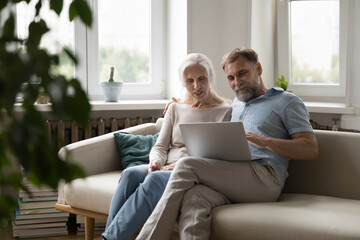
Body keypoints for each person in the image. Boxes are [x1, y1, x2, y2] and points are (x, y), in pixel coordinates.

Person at [136, 47, 319, 240]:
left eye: (242, 73)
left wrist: (264, 141)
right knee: (195, 197)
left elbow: (310, 149)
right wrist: (179, 103)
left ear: (258, 68)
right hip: (233, 175)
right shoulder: (237, 104)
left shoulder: (287, 101)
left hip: (265, 178)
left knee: (187, 164)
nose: (237, 82)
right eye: (231, 78)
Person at [102, 53, 232, 240]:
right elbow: (160, 146)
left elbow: (219, 155)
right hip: (165, 166)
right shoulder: (175, 108)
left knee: (154, 180)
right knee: (130, 174)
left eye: (201, 79)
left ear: (211, 77)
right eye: (190, 81)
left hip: (192, 172)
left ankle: (111, 238)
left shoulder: (226, 111)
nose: (196, 86)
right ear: (183, 83)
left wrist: (179, 165)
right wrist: (155, 162)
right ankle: (112, 235)